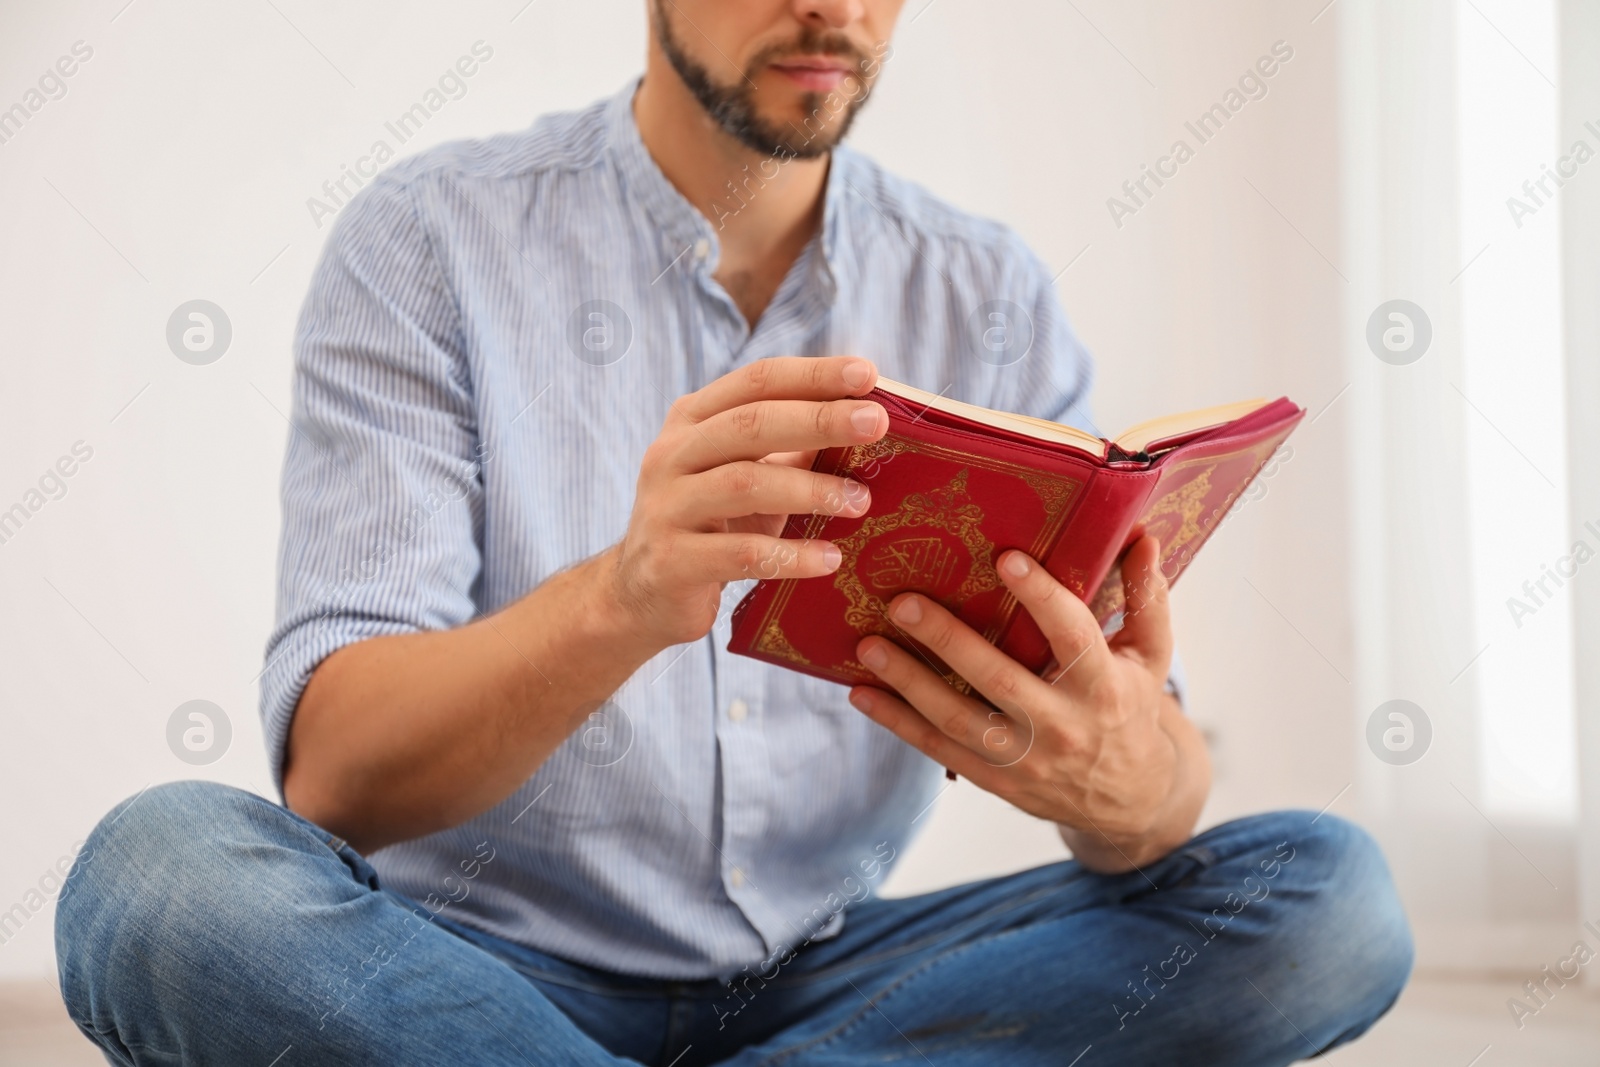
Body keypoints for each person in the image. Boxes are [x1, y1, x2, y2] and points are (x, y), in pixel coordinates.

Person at [56, 1, 1412, 1063]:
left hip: (832, 976)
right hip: (464, 967)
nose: (834, 7)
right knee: (162, 881)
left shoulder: (987, 294)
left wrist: (1133, 782)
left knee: (1327, 902)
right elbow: (338, 782)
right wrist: (626, 599)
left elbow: (1158, 798)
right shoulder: (427, 243)